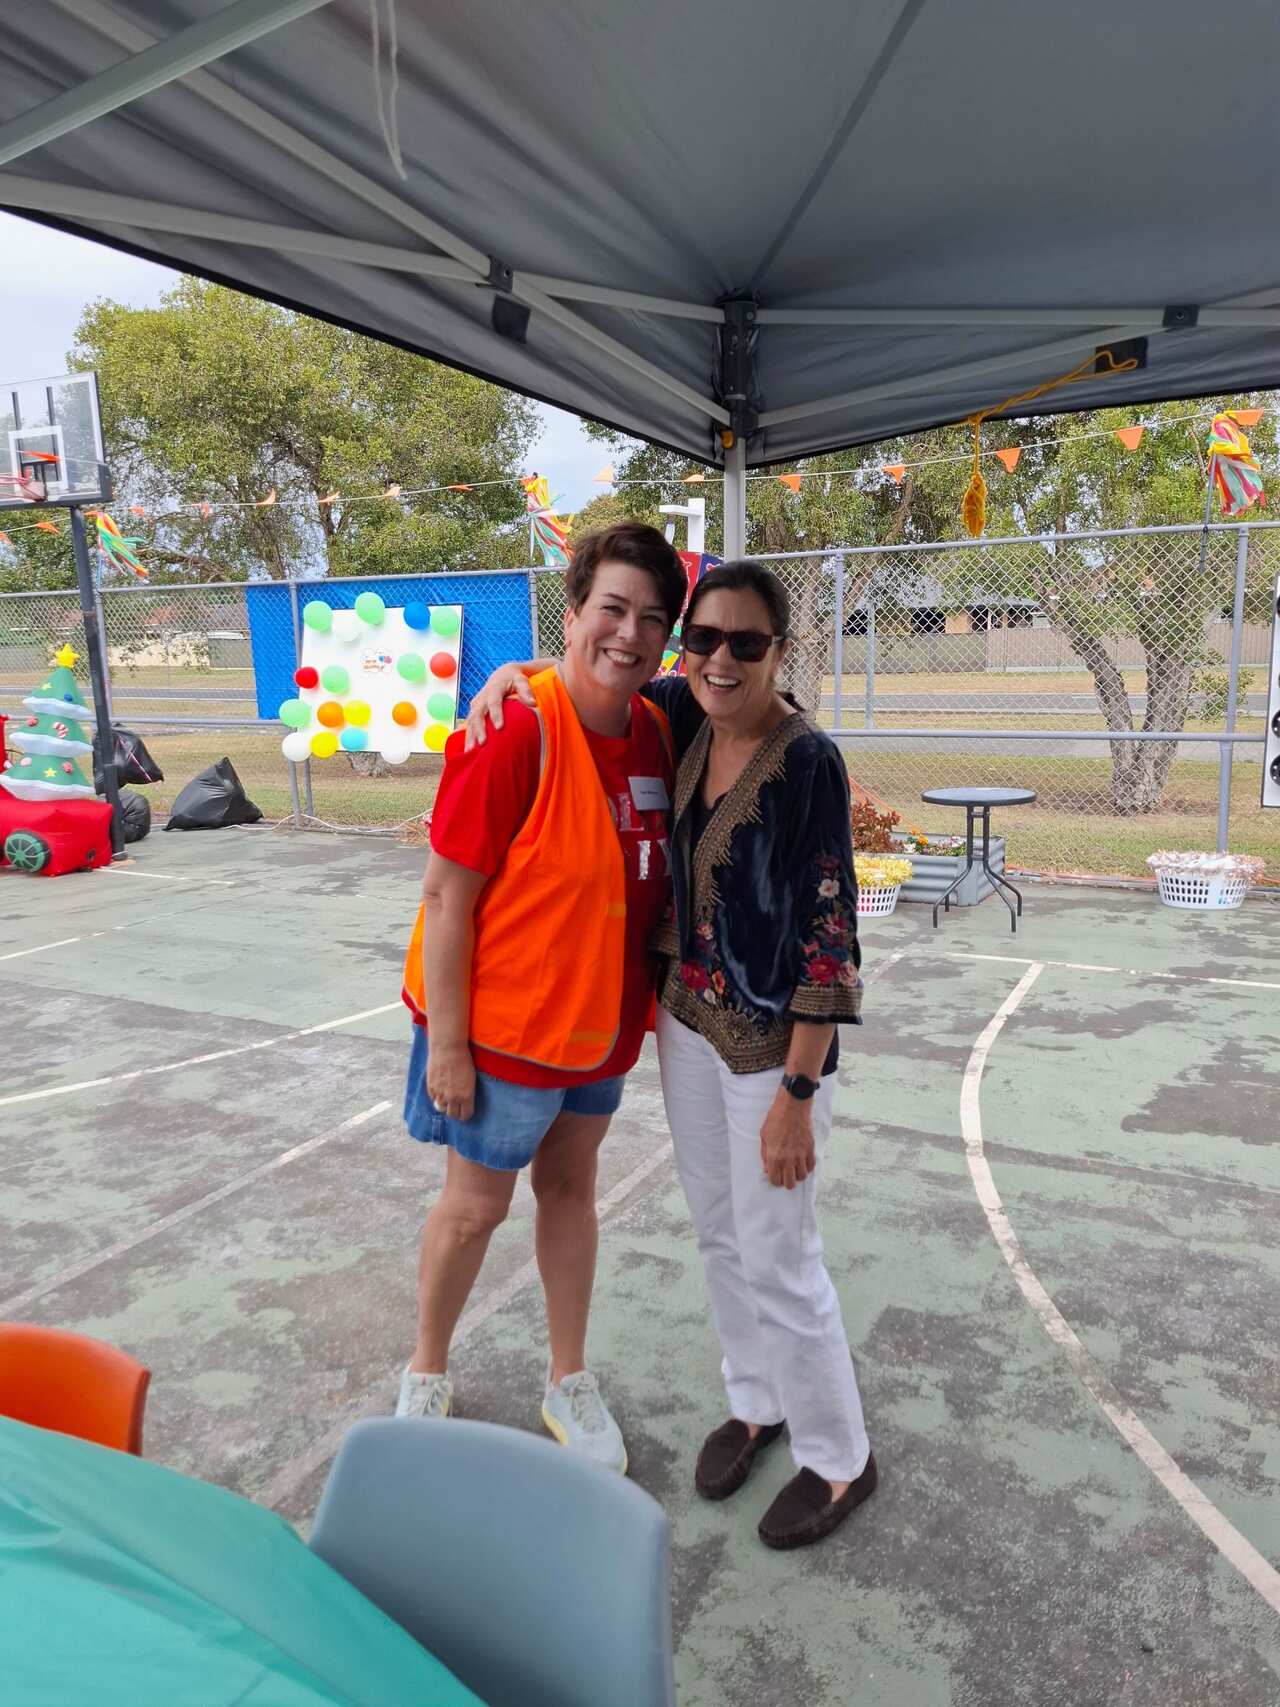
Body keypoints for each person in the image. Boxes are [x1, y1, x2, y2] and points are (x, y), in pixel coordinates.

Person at [468, 559, 875, 1549]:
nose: (719, 660)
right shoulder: (684, 714)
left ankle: (836, 1455)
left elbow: (828, 934)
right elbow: (591, 672)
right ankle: (756, 1400)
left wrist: (796, 1087)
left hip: (774, 1052)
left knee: (780, 1251)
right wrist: (509, 677)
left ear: (782, 652)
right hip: (686, 1029)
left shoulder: (805, 761)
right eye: (703, 639)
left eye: (746, 643)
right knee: (721, 1236)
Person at [397, 523, 686, 1474]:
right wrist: (449, 1043)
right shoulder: (514, 727)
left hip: (598, 1031)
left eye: (651, 618)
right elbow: (446, 896)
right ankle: (426, 1370)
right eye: (610, 608)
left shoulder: (656, 726)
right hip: (501, 1034)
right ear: (573, 614)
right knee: (475, 1206)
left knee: (572, 1191)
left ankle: (568, 1377)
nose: (629, 633)